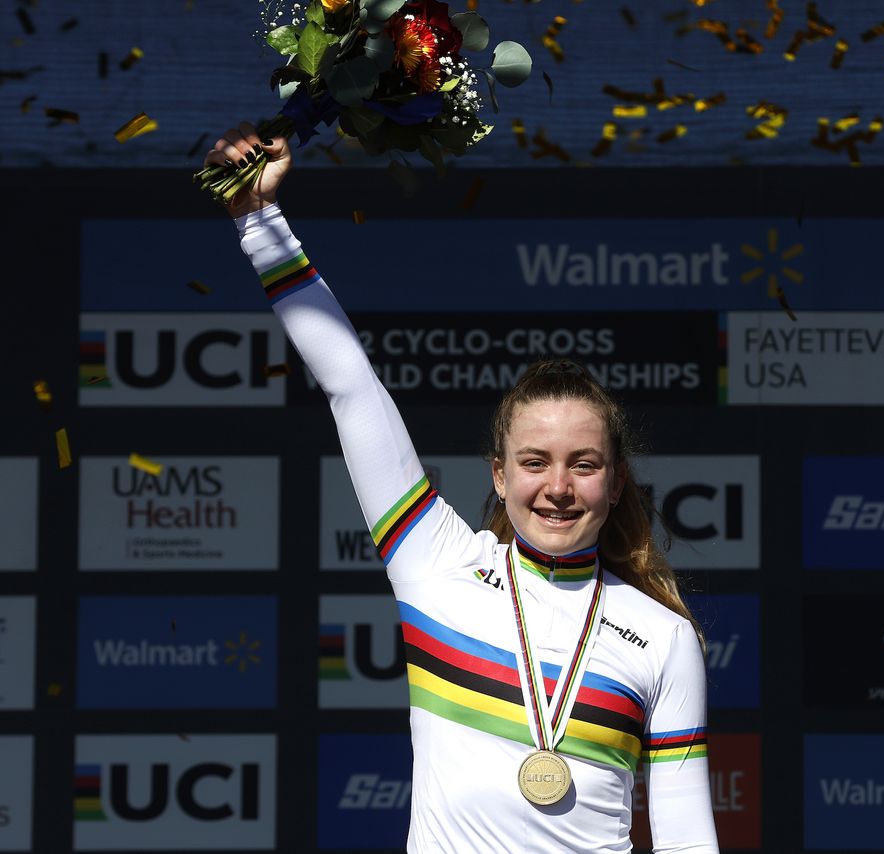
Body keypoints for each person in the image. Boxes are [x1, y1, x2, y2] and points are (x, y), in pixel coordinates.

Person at [207, 122, 719, 854]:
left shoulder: (664, 639)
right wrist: (257, 219)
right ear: (500, 475)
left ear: (616, 481)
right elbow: (351, 385)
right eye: (535, 462)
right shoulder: (437, 561)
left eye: (584, 464)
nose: (559, 488)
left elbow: (686, 837)